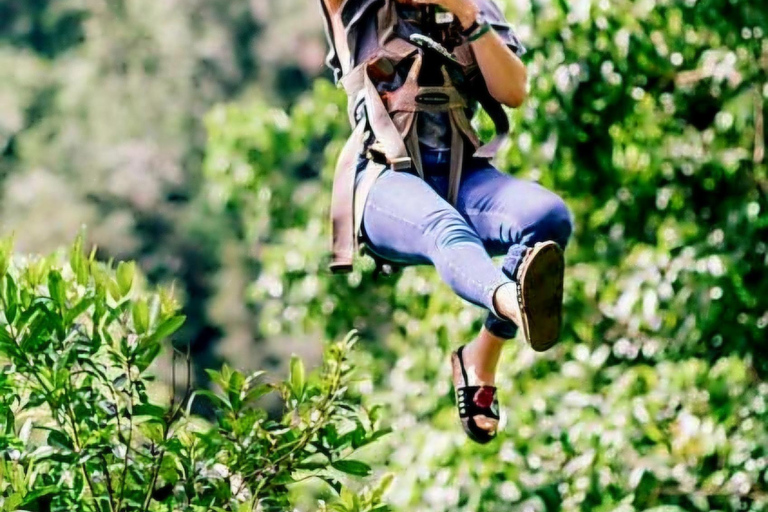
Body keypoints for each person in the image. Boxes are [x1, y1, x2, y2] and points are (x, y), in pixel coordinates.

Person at [319, 0, 573, 443]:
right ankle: (510, 300)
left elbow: (513, 91)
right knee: (444, 228)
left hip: (462, 174)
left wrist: (467, 16)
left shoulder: (473, 4)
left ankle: (481, 356)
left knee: (547, 218)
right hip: (383, 178)